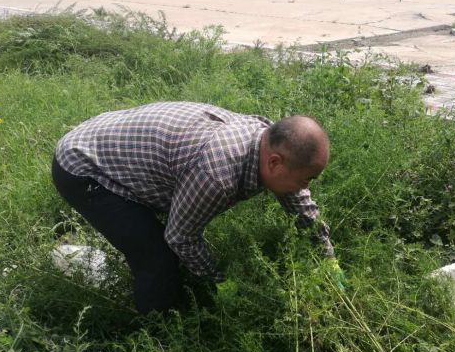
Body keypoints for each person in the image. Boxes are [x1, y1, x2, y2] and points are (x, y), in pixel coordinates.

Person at [52, 101, 337, 314]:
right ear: (274, 162)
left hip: (115, 143)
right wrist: (219, 281)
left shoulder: (267, 142)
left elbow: (298, 202)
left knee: (157, 239)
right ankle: (157, 337)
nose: (304, 187)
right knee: (157, 260)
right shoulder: (217, 174)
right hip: (85, 166)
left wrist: (329, 261)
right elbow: (180, 237)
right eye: (306, 179)